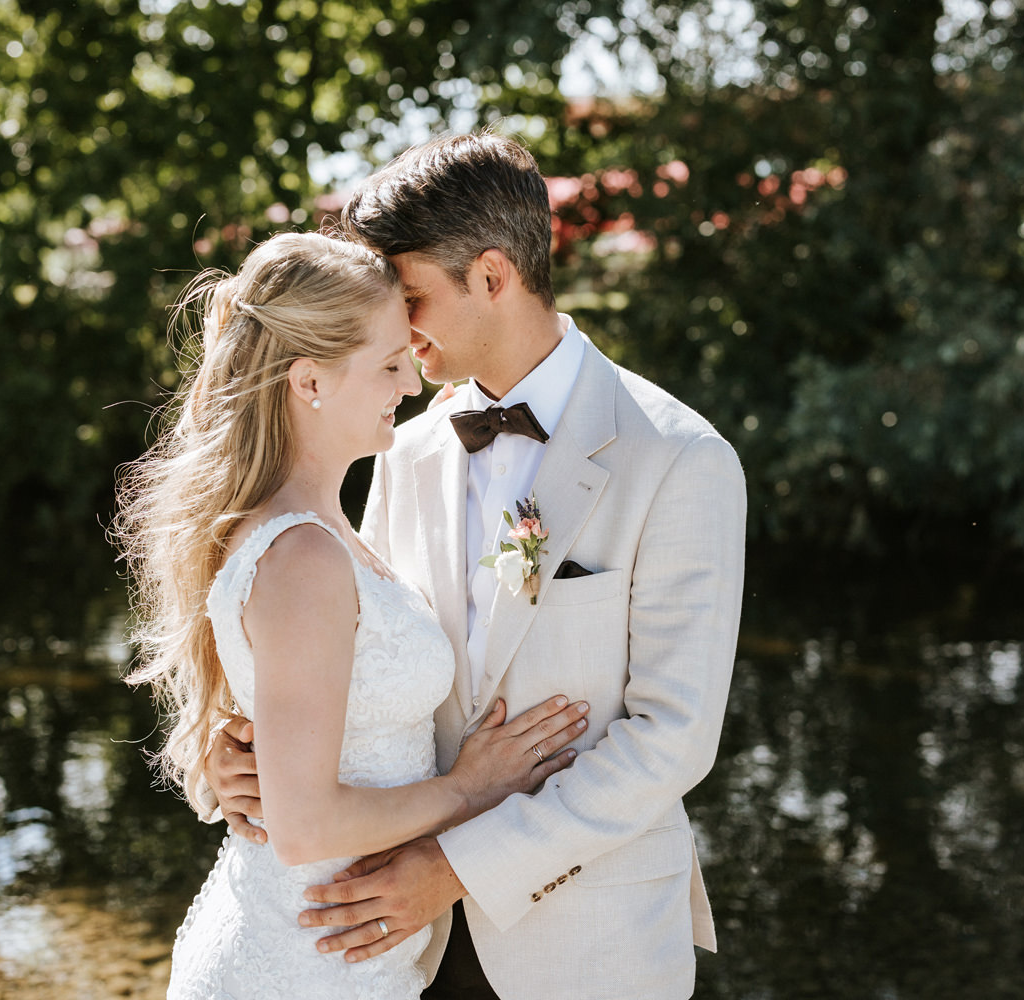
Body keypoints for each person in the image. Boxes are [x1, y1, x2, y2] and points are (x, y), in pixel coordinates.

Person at [206, 134, 748, 1000]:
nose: (392, 327)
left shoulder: (680, 458)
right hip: (395, 945)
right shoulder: (403, 449)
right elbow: (360, 655)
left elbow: (670, 740)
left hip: (586, 945)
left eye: (409, 296)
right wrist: (249, 759)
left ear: (492, 277)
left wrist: (457, 864)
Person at [114, 231, 591, 1000]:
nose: (411, 382)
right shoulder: (302, 555)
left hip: (341, 952)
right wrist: (471, 788)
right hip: (303, 961)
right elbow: (304, 828)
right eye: (388, 364)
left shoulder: (325, 528)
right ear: (310, 382)